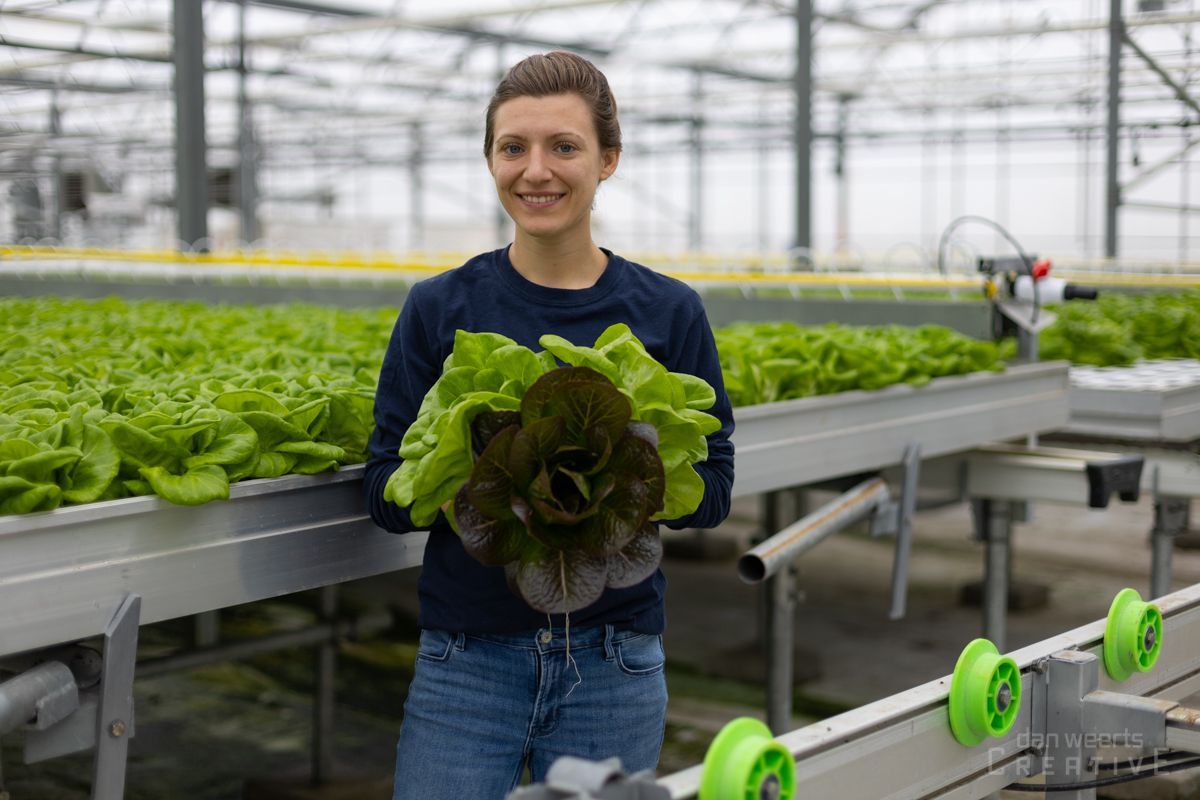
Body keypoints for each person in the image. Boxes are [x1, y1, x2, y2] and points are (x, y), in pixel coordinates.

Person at [364, 50, 735, 800]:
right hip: (465, 662)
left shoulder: (669, 311)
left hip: (614, 664)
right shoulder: (440, 308)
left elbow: (716, 487)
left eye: (564, 147)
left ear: (608, 160)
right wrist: (479, 483)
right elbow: (383, 488)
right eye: (514, 148)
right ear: (491, 161)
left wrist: (616, 487)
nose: (536, 171)